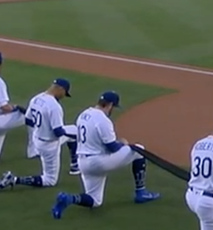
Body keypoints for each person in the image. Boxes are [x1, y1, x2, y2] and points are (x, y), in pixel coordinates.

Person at [51, 91, 160, 219]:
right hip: (98, 162)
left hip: (83, 163)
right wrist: (123, 144)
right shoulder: (103, 120)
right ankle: (141, 192)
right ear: (110, 105)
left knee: (95, 200)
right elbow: (112, 148)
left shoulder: (83, 114)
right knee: (138, 150)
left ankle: (69, 198)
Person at [0, 78, 76, 191]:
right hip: (49, 145)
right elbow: (58, 132)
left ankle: (75, 165)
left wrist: (42, 127)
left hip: (38, 139)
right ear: (60, 89)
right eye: (64, 93)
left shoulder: (36, 98)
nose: (63, 96)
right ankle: (15, 180)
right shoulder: (54, 106)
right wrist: (78, 136)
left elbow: (28, 120)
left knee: (74, 130)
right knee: (50, 180)